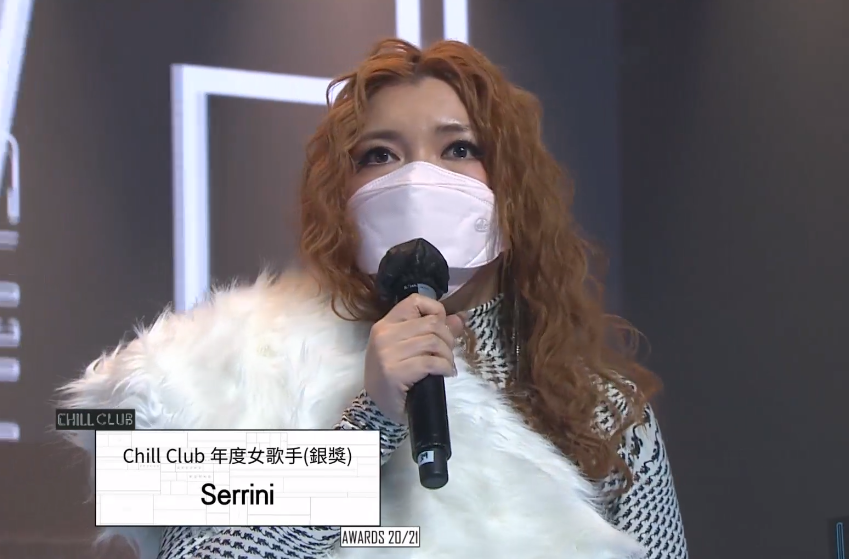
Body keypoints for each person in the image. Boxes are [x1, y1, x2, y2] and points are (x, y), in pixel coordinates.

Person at [58, 39, 688, 559]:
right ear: (341, 195)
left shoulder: (604, 413)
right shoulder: (233, 363)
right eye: (379, 155)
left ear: (511, 187)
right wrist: (369, 422)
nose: (418, 178)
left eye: (459, 149)